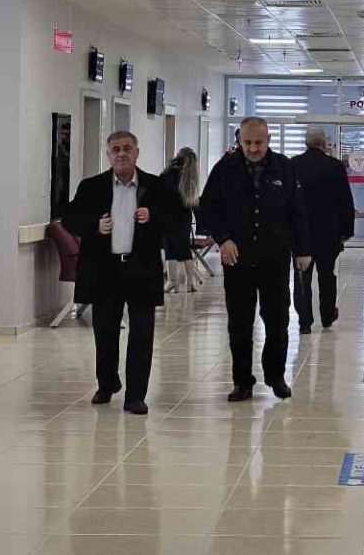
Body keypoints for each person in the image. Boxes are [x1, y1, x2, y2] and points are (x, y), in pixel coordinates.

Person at [64, 131, 181, 415]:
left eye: (127, 148)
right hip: (105, 271)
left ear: (137, 153)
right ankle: (106, 384)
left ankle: (136, 396)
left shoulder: (156, 187)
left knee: (142, 334)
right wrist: (95, 226)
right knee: (105, 333)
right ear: (108, 155)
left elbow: (177, 220)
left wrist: (153, 217)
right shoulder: (91, 187)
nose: (121, 154)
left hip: (141, 270)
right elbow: (70, 219)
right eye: (115, 149)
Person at [199, 117, 312, 402]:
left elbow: (297, 211)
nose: (252, 148)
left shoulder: (284, 168)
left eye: (258, 142)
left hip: (274, 257)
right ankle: (242, 382)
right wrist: (223, 239)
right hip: (237, 258)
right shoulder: (225, 169)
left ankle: (275, 376)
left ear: (268, 140)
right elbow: (208, 209)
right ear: (239, 140)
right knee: (239, 323)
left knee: (277, 320)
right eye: (247, 142)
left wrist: (303, 250)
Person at [290, 127, 355, 333]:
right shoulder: (335, 166)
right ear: (324, 143)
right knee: (327, 275)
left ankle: (304, 321)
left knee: (302, 277)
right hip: (329, 232)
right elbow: (345, 201)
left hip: (301, 233)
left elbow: (287, 200)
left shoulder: (293, 165)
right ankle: (327, 315)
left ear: (305, 142)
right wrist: (346, 231)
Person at [161, 147, 204, 293]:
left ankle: (172, 282)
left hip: (169, 217)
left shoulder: (169, 173)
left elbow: (160, 194)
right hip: (184, 217)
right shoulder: (189, 176)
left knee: (170, 249)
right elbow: (192, 202)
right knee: (185, 249)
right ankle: (190, 283)